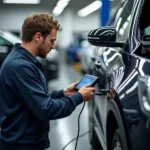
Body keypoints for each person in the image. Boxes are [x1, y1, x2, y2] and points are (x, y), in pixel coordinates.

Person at [0, 13, 96, 150]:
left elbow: (34, 100)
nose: (52, 46)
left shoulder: (25, 62)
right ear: (38, 37)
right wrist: (79, 97)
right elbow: (46, 109)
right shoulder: (20, 67)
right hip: (21, 145)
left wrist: (63, 93)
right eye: (51, 41)